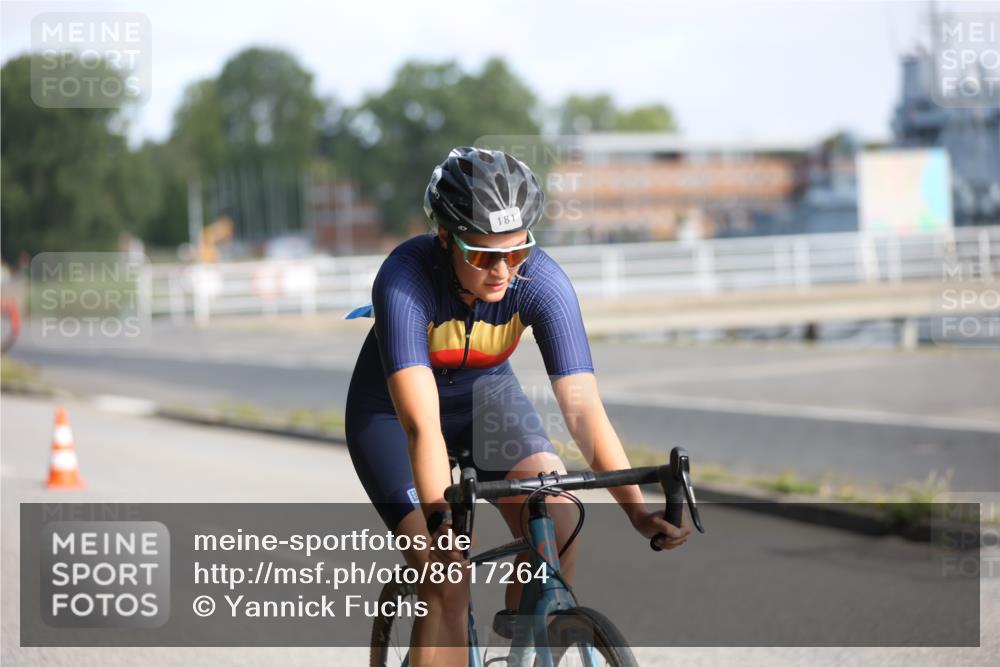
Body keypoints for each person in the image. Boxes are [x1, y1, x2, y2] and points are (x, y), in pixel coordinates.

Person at [345, 147, 690, 666]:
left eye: (518, 251)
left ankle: (527, 643)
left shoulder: (544, 284)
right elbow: (423, 429)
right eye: (483, 255)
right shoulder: (404, 280)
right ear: (445, 238)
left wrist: (638, 512)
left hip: (487, 401)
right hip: (395, 419)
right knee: (446, 581)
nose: (504, 269)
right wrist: (442, 527)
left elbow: (584, 413)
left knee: (559, 514)